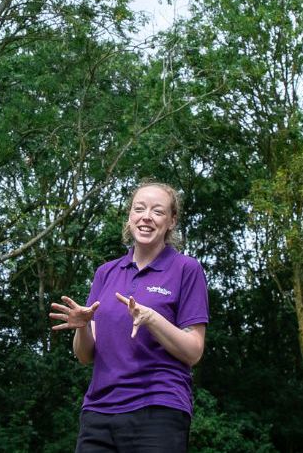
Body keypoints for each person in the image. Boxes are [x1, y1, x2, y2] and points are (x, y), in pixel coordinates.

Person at [49, 182, 211, 453]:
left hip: (159, 408)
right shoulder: (106, 273)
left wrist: (151, 318)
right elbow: (85, 355)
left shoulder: (186, 269)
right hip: (98, 411)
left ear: (171, 221)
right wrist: (83, 327)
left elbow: (194, 351)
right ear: (130, 216)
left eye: (157, 211)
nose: (146, 216)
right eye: (140, 208)